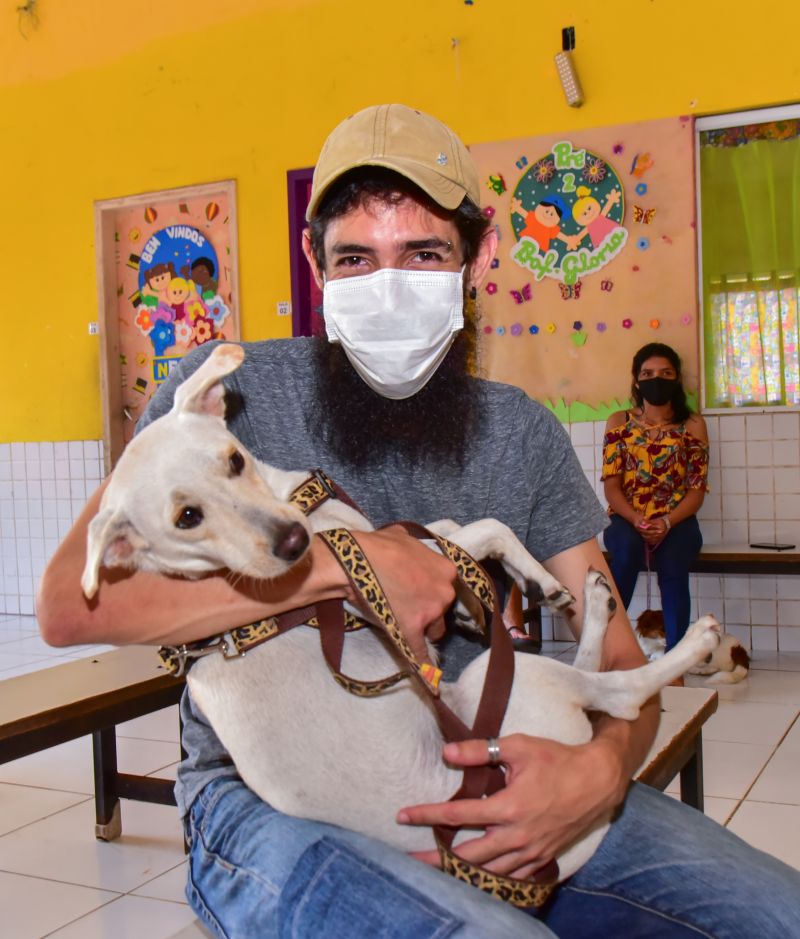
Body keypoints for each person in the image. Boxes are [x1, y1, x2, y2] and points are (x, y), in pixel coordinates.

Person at [37, 105, 800, 938]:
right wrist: (343, 562)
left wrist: (600, 772)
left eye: (423, 253)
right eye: (356, 257)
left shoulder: (520, 432)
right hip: (269, 801)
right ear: (314, 263)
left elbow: (619, 655)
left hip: (480, 747)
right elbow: (72, 605)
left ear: (479, 254)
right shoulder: (231, 395)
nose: (388, 285)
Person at [602, 343, 708, 653]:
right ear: (636, 380)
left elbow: (696, 491)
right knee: (626, 553)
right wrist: (636, 519)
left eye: (665, 373)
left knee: (674, 561)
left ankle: (675, 658)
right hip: (626, 518)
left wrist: (666, 521)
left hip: (678, 520)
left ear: (676, 379)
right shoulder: (618, 422)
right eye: (647, 374)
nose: (656, 379)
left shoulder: (693, 425)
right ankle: (612, 649)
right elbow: (611, 487)